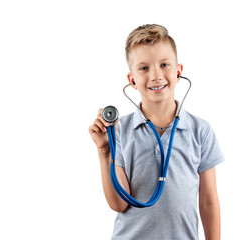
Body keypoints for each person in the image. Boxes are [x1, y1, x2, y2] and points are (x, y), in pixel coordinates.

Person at [89, 24, 225, 240]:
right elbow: (119, 203)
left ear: (178, 71)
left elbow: (208, 201)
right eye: (143, 68)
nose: (156, 75)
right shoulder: (119, 131)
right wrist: (105, 150)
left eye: (164, 65)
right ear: (131, 79)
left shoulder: (200, 131)